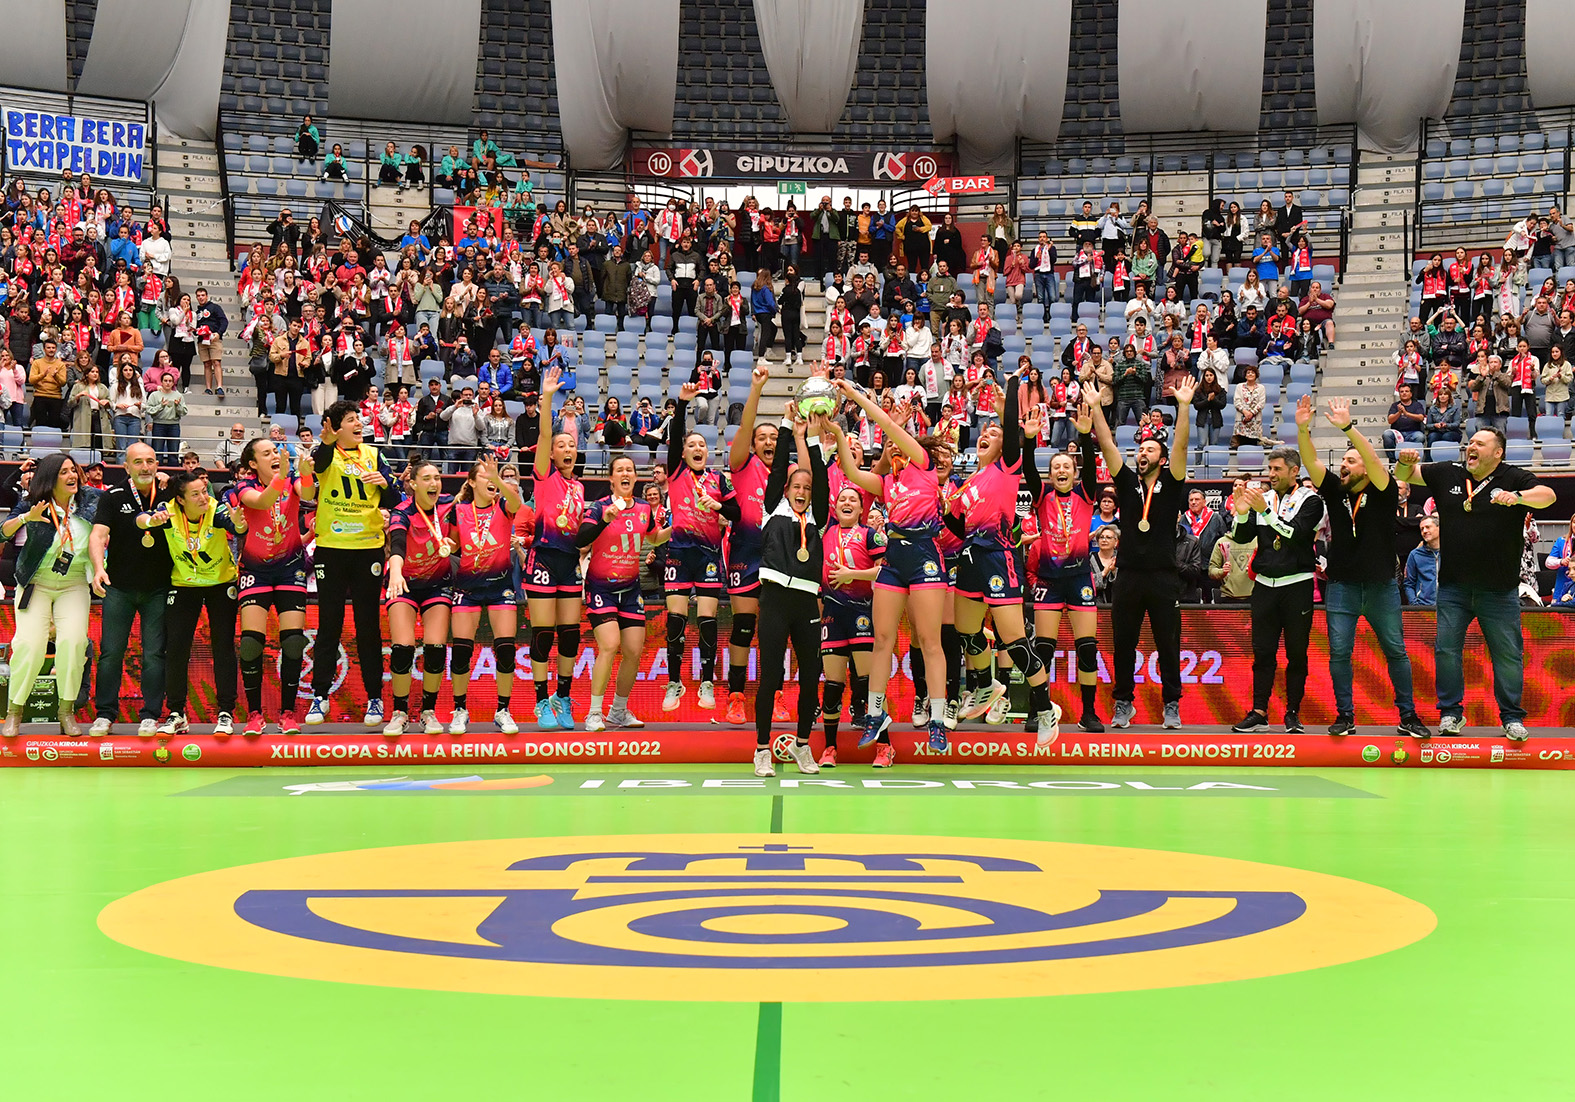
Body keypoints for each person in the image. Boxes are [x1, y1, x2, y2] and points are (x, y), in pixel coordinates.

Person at [1396, 431, 1553, 738]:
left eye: (1480, 444)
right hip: (1454, 588)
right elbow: (1406, 476)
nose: (1471, 446)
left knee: (1507, 654)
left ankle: (1511, 718)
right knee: (1446, 651)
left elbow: (1548, 495)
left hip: (1499, 590)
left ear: (1498, 453)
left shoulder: (1513, 477)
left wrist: (1518, 497)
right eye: (1471, 442)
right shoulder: (1447, 473)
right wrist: (1403, 463)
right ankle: (1451, 715)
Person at [1295, 396, 1428, 737]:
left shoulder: (1382, 491)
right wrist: (1302, 428)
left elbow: (1375, 462)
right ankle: (1345, 716)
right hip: (1342, 586)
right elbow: (1310, 462)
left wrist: (1349, 429)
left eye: (1351, 461)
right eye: (1342, 460)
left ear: (1366, 468)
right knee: (1340, 654)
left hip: (1382, 586)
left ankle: (1409, 716)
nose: (1344, 464)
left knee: (1396, 652)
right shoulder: (1337, 492)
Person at [831, 380, 952, 753]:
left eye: (896, 439)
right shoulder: (888, 482)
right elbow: (852, 475)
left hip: (926, 556)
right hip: (895, 559)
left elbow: (889, 425)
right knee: (882, 639)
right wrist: (838, 433)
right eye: (887, 443)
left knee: (930, 642)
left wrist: (856, 397)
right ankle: (876, 713)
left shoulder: (924, 463)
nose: (891, 444)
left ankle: (936, 719)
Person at [947, 374, 1061, 747]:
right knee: (966, 631)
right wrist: (940, 505)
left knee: (1014, 641)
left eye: (994, 432)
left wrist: (1010, 389)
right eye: (984, 431)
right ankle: (985, 685)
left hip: (999, 557)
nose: (987, 433)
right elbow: (957, 526)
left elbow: (1012, 433)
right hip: (970, 557)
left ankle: (1045, 709)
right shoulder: (970, 481)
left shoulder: (1007, 467)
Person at [1088, 375, 1198, 729]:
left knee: (1168, 644)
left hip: (1165, 577)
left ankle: (1171, 704)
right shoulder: (1126, 482)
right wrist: (1094, 408)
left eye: (1150, 449)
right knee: (1123, 644)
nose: (1142, 453)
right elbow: (1106, 443)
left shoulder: (1172, 481)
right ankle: (1123, 703)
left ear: (1163, 459)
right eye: (1139, 449)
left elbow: (1180, 445)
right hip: (1129, 576)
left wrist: (1183, 407)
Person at [748, 407, 834, 778]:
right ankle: (762, 750)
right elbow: (780, 467)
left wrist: (811, 438)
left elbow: (822, 480)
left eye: (805, 488)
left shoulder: (817, 515)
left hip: (806, 603)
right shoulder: (773, 507)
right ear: (786, 490)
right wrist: (786, 427)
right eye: (795, 487)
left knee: (812, 673)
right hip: (774, 601)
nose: (801, 491)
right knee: (770, 677)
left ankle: (802, 745)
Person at [304, 401, 399, 727]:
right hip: (331, 548)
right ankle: (319, 697)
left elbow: (396, 499)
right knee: (329, 624)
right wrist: (327, 440)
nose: (358, 423)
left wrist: (385, 484)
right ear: (334, 426)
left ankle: (375, 698)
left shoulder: (374, 454)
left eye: (358, 417)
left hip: (368, 550)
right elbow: (318, 465)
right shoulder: (325, 452)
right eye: (350, 419)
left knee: (368, 625)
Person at [1225, 447, 1325, 735]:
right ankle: (1259, 711)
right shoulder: (1263, 498)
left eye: (1277, 469)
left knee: (1297, 653)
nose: (1271, 474)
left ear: (1294, 471)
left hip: (1297, 584)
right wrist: (1242, 514)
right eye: (1270, 469)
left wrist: (1264, 512)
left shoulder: (1312, 501)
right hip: (1265, 586)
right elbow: (1242, 537)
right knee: (1263, 652)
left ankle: (1292, 712)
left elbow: (1295, 535)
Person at [1, 455, 98, 737]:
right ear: (51, 477)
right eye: (64, 472)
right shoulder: (34, 501)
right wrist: (24, 518)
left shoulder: (92, 500)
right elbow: (2, 533)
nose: (73, 476)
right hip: (37, 583)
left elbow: (117, 503)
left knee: (75, 642)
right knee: (29, 646)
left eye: (74, 471)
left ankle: (65, 711)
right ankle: (14, 712)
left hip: (75, 582)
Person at [144, 469, 246, 736]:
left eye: (204, 490)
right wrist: (150, 521)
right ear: (181, 499)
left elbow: (234, 524)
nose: (203, 497)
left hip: (221, 583)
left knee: (223, 646)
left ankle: (225, 713)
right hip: (184, 584)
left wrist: (239, 523)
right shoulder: (167, 512)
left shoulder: (216, 509)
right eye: (196, 494)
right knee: (176, 648)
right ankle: (177, 713)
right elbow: (142, 520)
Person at [1024, 400, 1103, 731]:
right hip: (1048, 580)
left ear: (1074, 471)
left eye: (1066, 466)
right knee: (1043, 649)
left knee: (1087, 648)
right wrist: (1029, 440)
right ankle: (1037, 712)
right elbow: (1028, 468)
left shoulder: (1086, 495)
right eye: (1056, 466)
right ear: (1050, 472)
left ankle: (1088, 713)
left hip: (1080, 578)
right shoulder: (1041, 495)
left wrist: (1085, 436)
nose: (1061, 470)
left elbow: (1092, 467)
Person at [661, 381, 739, 713]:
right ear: (682, 452)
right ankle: (674, 682)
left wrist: (718, 507)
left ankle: (706, 682)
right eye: (691, 444)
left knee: (707, 621)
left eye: (702, 445)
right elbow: (677, 431)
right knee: (676, 620)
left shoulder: (719, 480)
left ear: (708, 452)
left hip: (708, 556)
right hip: (678, 554)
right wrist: (681, 403)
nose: (697, 448)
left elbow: (737, 512)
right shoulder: (676, 471)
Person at [231, 437, 317, 735]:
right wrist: (282, 476)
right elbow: (263, 501)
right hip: (255, 569)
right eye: (266, 453)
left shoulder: (290, 478)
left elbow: (307, 492)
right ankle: (255, 714)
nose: (275, 455)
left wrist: (304, 473)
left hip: (290, 567)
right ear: (253, 464)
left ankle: (288, 713)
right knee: (251, 642)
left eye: (276, 451)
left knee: (293, 640)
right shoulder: (244, 487)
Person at [577, 455, 668, 732]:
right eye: (620, 470)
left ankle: (618, 710)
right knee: (609, 645)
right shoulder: (599, 507)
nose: (625, 473)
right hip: (601, 588)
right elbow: (581, 540)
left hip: (631, 589)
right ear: (612, 479)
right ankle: (594, 713)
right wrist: (604, 521)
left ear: (635, 477)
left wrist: (681, 528)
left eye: (630, 469)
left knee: (633, 650)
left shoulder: (643, 507)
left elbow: (653, 537)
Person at [86, 443, 170, 736]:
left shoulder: (169, 494)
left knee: (154, 654)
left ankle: (150, 715)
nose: (145, 467)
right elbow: (98, 535)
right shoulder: (112, 496)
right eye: (138, 462)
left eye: (150, 461)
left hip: (159, 588)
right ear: (127, 467)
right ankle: (105, 714)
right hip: (119, 587)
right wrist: (99, 568)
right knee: (110, 653)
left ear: (157, 463)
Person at [524, 367, 587, 729]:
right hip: (543, 560)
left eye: (571, 446)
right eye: (561, 446)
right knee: (543, 634)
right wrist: (548, 397)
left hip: (569, 563)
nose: (566, 449)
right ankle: (539, 702)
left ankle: (562, 698)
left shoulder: (578, 488)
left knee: (570, 635)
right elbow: (546, 435)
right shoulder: (544, 476)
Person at [444, 458, 524, 735]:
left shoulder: (502, 505)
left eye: (494, 476)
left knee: (505, 650)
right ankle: (459, 710)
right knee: (462, 652)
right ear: (471, 482)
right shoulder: (460, 510)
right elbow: (454, 543)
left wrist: (499, 479)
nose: (491, 480)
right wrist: (446, 543)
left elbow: (516, 502)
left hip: (500, 586)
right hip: (467, 587)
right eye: (485, 476)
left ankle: (503, 709)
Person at [817, 465, 885, 768]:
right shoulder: (825, 533)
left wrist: (852, 574)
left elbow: (885, 570)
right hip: (832, 614)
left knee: (869, 683)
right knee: (832, 685)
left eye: (853, 500)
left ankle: (884, 747)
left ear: (861, 508)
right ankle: (830, 748)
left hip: (863, 614)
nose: (847, 503)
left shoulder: (869, 535)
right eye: (842, 499)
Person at [722, 367, 777, 724]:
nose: (769, 442)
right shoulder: (743, 465)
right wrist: (756, 388)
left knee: (775, 631)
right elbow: (744, 430)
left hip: (780, 559)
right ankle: (736, 697)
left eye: (774, 437)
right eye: (763, 438)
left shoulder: (790, 475)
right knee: (744, 627)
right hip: (745, 554)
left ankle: (776, 698)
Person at [383, 459, 454, 736]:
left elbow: (460, 537)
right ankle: (400, 712)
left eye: (437, 477)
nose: (434, 483)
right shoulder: (402, 512)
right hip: (404, 583)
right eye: (426, 478)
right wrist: (396, 572)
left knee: (436, 649)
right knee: (402, 649)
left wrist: (454, 544)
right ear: (413, 484)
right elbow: (398, 545)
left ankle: (428, 712)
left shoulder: (448, 505)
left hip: (438, 584)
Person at [1404, 516, 1441, 606]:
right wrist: (1415, 604)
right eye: (1422, 529)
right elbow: (1408, 583)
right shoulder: (1415, 555)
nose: (1424, 531)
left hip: (1447, 607)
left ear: (1439, 528)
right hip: (1423, 606)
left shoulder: (1451, 553)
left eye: (1428, 527)